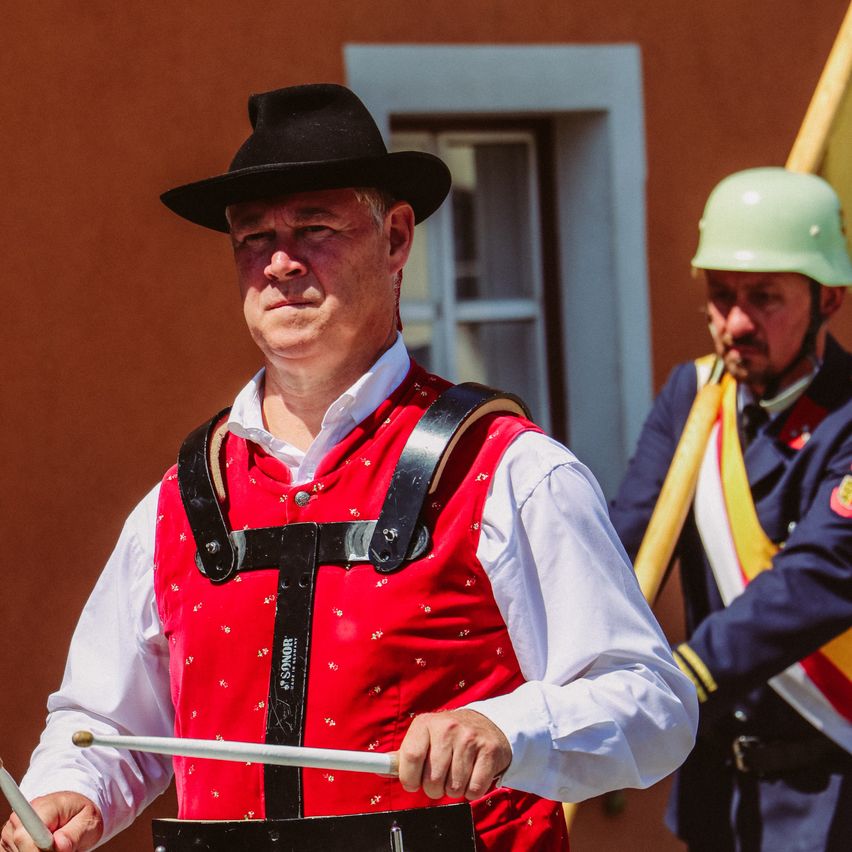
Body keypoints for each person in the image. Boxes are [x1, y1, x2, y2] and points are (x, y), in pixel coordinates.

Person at [2, 83, 696, 852]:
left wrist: (507, 727)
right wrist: (70, 790)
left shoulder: (510, 470)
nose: (279, 262)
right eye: (253, 237)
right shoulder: (180, 503)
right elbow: (100, 722)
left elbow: (651, 703)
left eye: (314, 228)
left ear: (396, 238)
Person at [610, 167, 852, 851]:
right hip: (718, 795)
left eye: (764, 297)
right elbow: (627, 542)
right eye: (721, 295)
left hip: (830, 790)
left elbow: (817, 577)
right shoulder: (692, 397)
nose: (736, 322)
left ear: (829, 298)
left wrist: (681, 678)